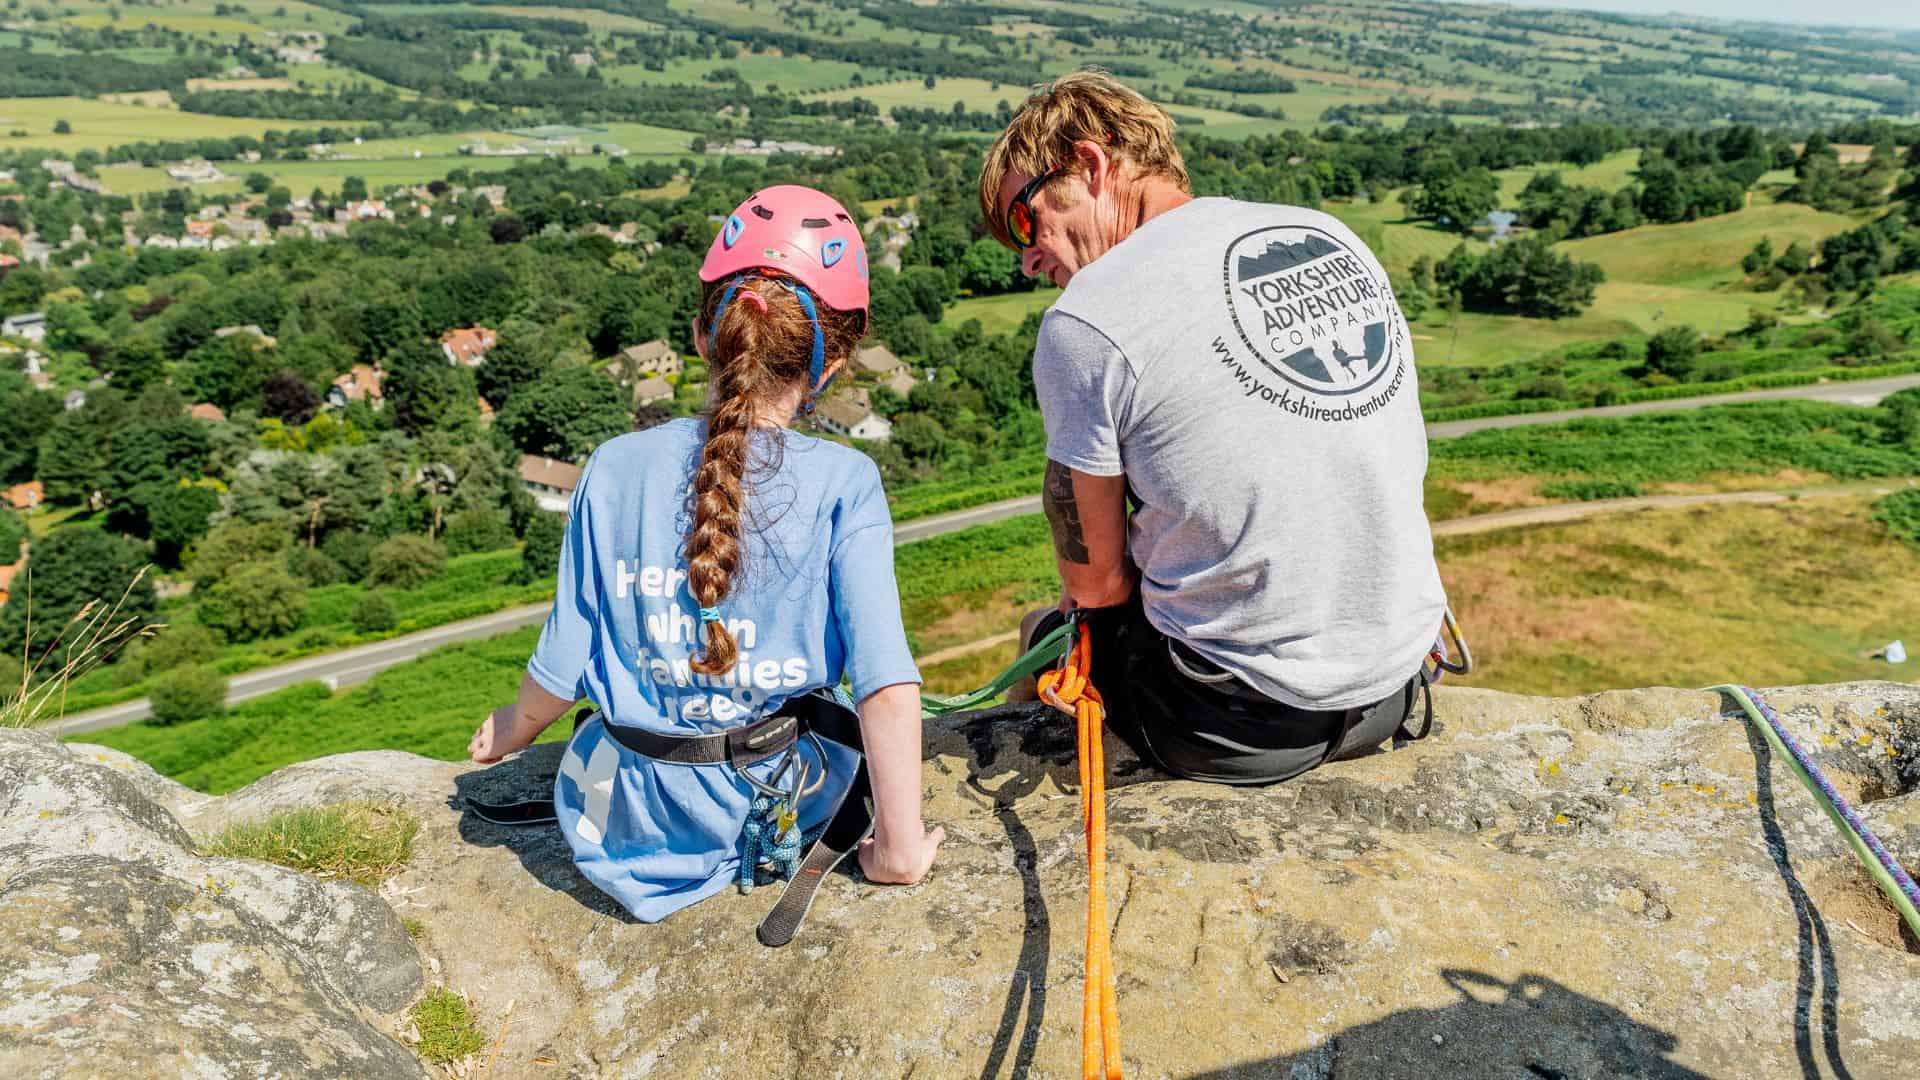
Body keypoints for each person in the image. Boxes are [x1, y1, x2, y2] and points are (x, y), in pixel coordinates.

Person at [467, 185, 943, 921]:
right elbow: (884, 683)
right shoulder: (847, 482)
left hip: (622, 822)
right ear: (832, 366)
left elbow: (563, 664)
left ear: (700, 337)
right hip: (777, 805)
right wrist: (899, 849)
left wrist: (515, 727)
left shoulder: (614, 465)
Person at [979, 72, 1450, 786]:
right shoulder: (1322, 234)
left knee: (1048, 633)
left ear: (1088, 165)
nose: (1027, 256)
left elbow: (1097, 584)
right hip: (1393, 683)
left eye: (1024, 219)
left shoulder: (1088, 319)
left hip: (1234, 723)